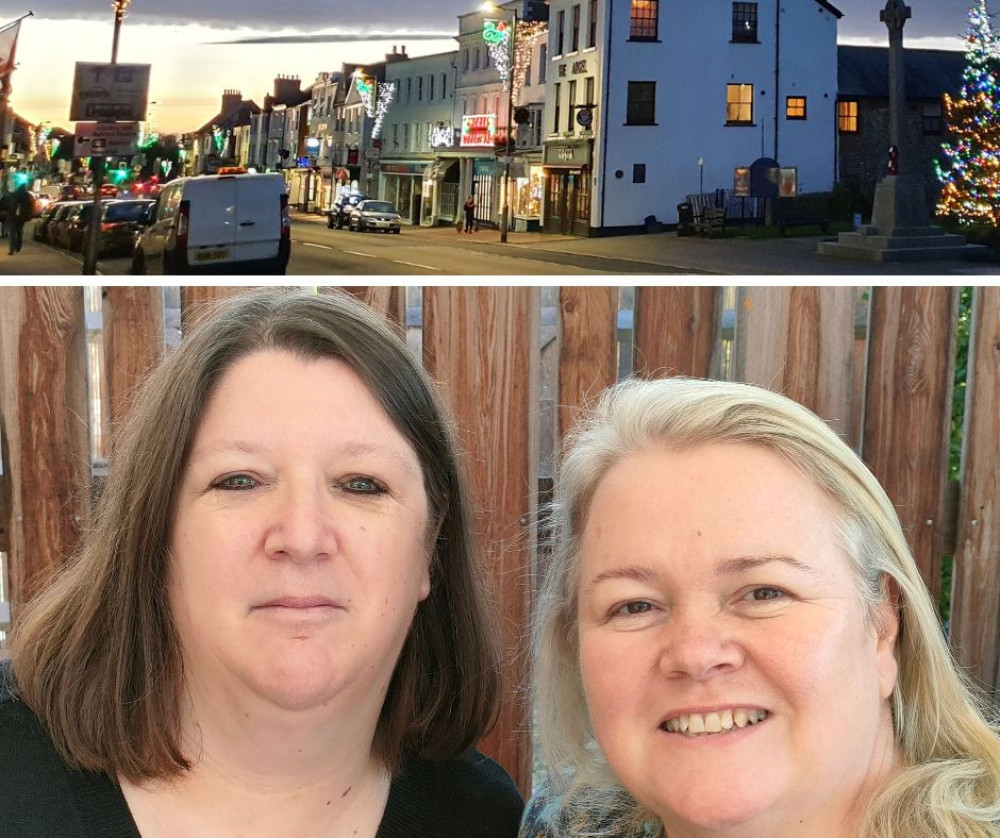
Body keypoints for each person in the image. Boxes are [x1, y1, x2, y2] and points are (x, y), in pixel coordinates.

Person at [1, 289, 524, 837]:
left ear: (430, 548)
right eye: (240, 480)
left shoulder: (481, 818)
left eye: (361, 485)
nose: (301, 536)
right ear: (156, 531)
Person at [523, 377, 1000, 838]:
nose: (695, 652)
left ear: (882, 624)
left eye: (763, 593)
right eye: (634, 606)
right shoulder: (572, 824)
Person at [6, 183, 33, 254]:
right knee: (19, 232)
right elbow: (30, 206)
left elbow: (8, 205)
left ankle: (11, 249)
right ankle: (18, 247)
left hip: (12, 216)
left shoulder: (13, 195)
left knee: (12, 233)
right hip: (21, 217)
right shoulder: (27, 196)